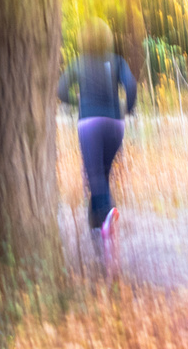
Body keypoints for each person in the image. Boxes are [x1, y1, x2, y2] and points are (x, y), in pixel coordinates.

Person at [58, 18, 137, 255]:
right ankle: (97, 228)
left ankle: (105, 224)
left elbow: (60, 90)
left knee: (94, 175)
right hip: (115, 125)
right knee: (101, 175)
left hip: (90, 124)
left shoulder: (78, 63)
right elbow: (131, 86)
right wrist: (128, 109)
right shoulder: (117, 61)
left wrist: (76, 102)